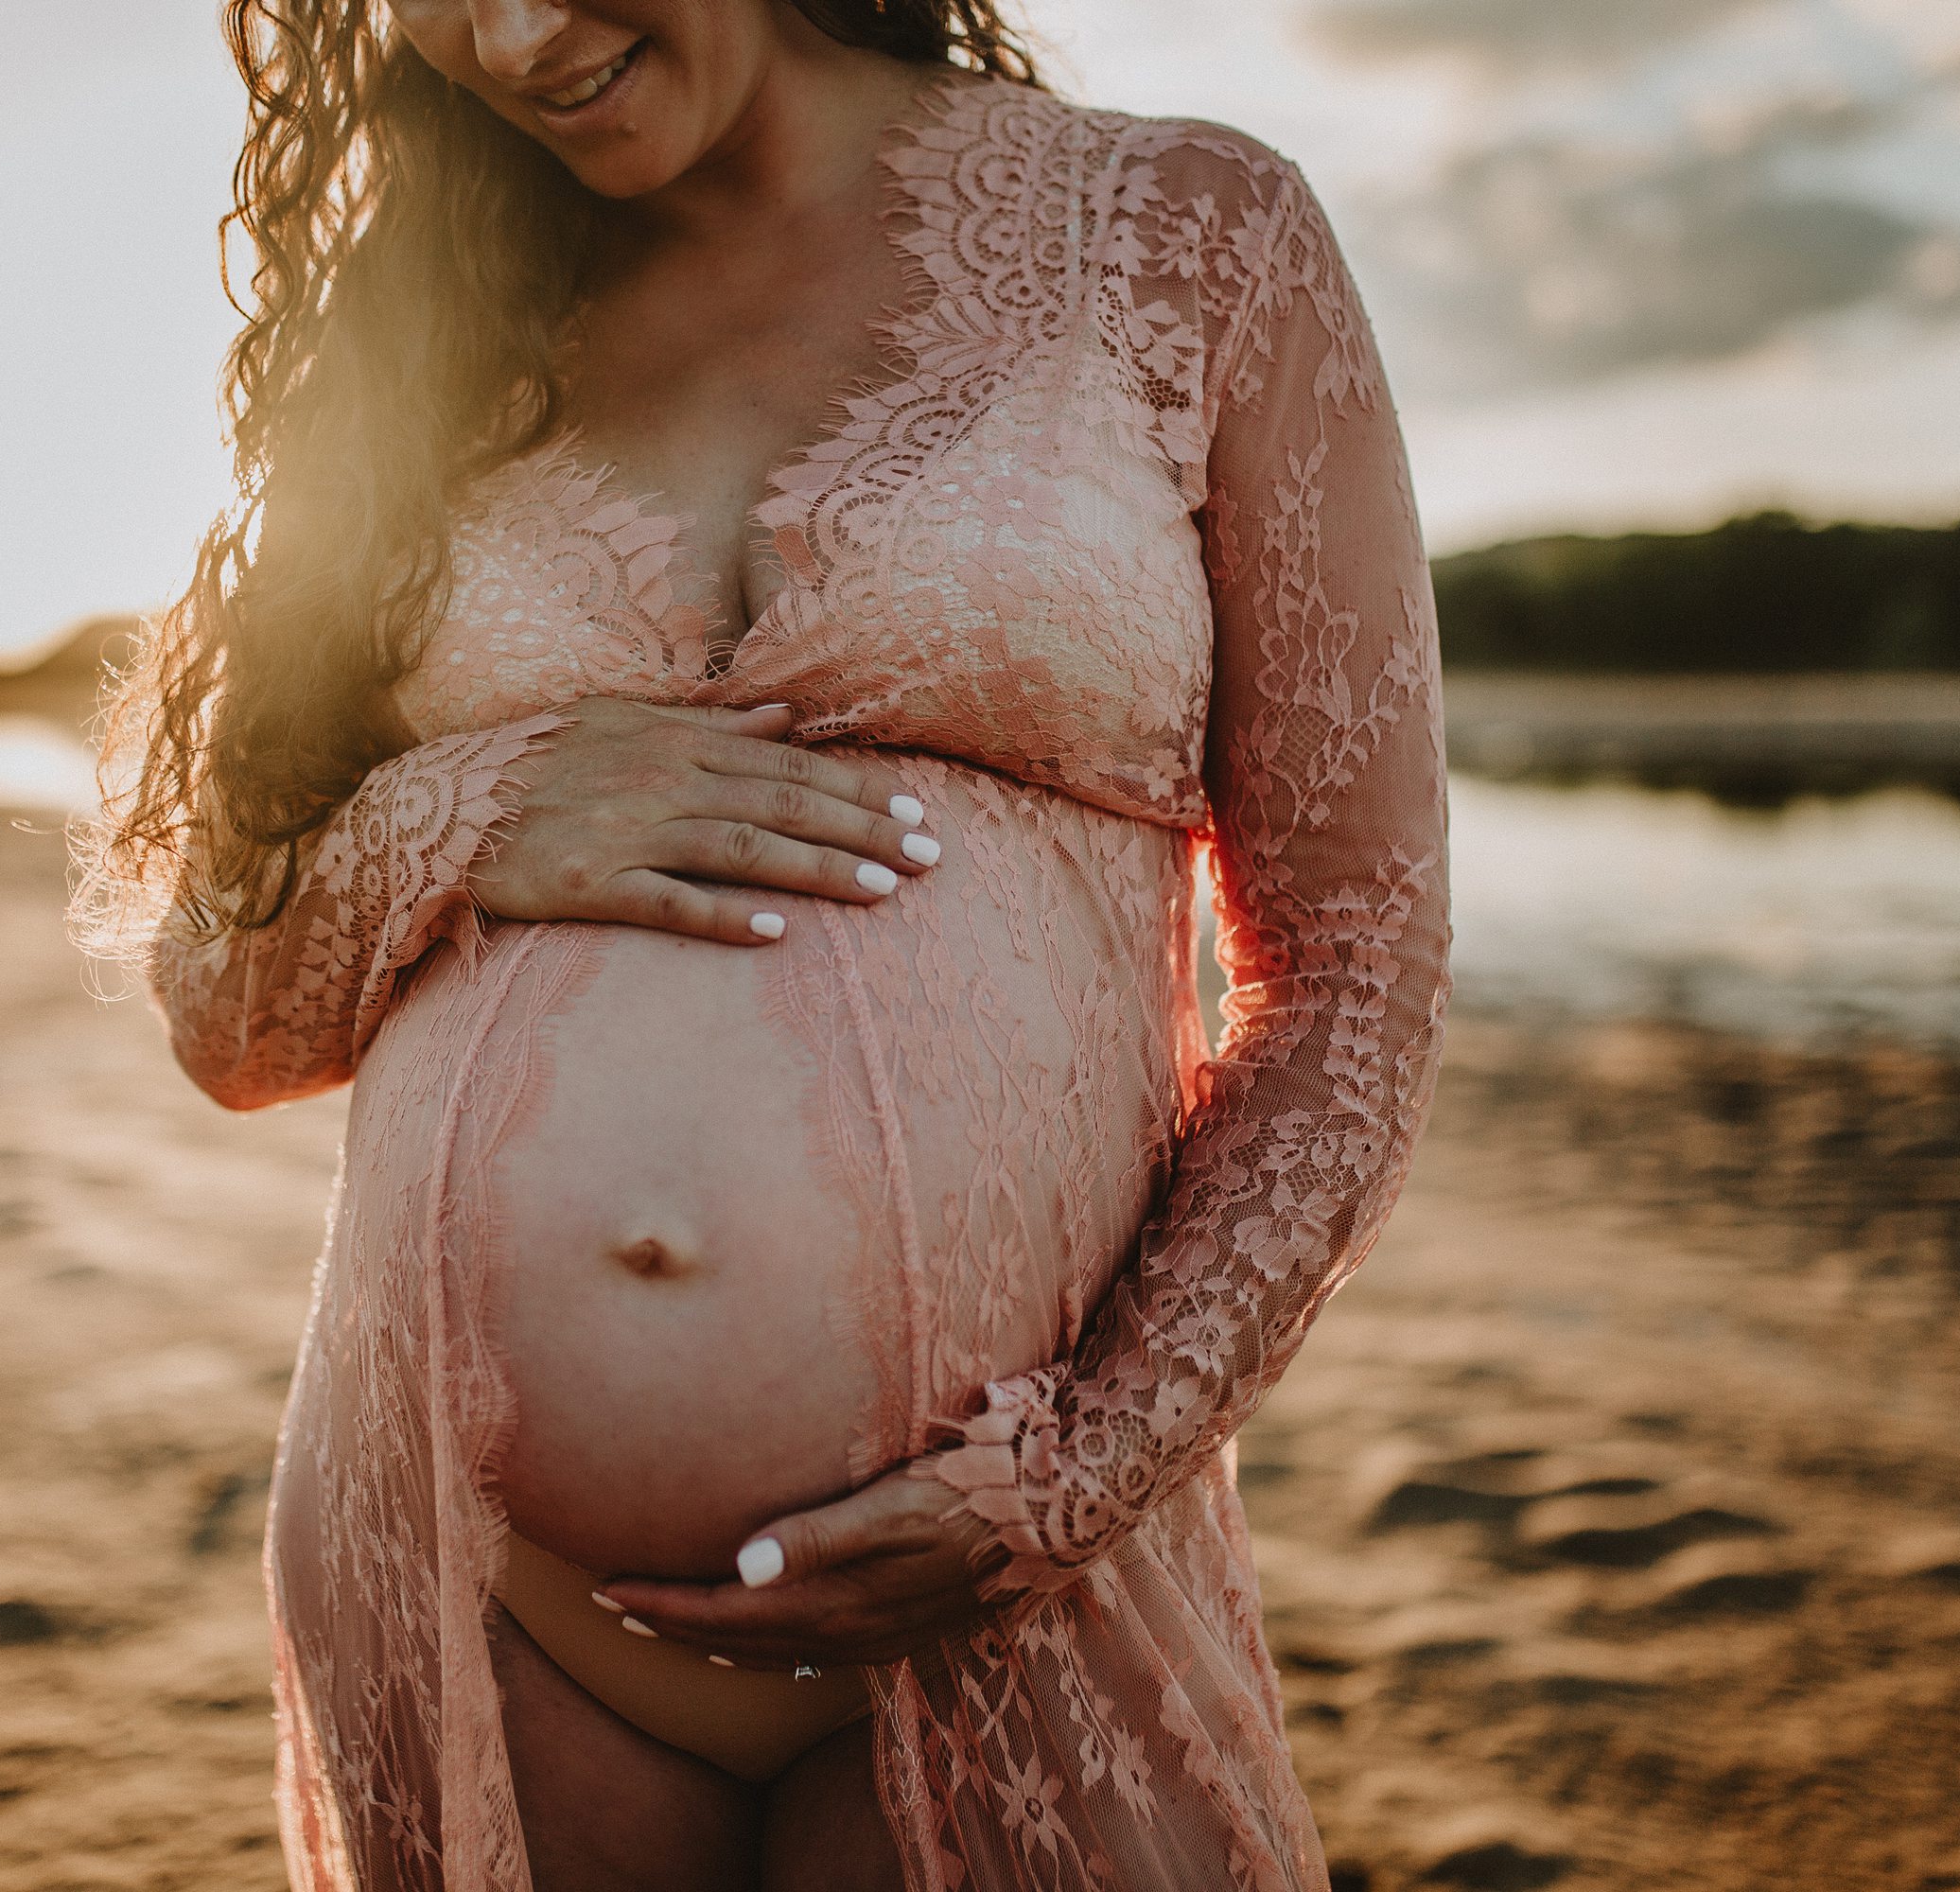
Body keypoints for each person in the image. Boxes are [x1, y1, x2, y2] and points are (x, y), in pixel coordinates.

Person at [75, 1, 1450, 1885]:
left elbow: (1355, 962)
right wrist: (467, 816)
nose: (510, 35)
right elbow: (222, 1010)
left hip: (1003, 1585)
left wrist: (1082, 1473)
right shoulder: (417, 339)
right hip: (487, 1609)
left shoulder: (1191, 239)